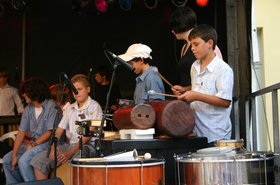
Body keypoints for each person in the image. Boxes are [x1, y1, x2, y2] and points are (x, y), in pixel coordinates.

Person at [30, 74, 103, 180]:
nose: (76, 93)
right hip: (71, 145)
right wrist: (52, 148)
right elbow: (59, 130)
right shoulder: (70, 108)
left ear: (88, 89)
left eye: (79, 89)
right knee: (38, 162)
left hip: (89, 146)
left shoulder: (95, 106)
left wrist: (69, 152)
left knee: (77, 160)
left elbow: (89, 134)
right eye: (74, 90)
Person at [176, 24, 233, 145]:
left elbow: (225, 102)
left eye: (196, 44)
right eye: (191, 45)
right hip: (196, 133)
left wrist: (196, 96)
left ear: (210, 43)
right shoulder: (194, 66)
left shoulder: (223, 69)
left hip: (215, 136)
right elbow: (200, 87)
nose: (192, 48)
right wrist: (185, 90)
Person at [3, 77, 58, 184]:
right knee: (7, 160)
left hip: (47, 144)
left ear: (35, 92)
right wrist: (14, 155)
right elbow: (21, 133)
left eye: (25, 92)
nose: (23, 95)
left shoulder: (51, 106)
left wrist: (33, 144)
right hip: (32, 143)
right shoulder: (28, 109)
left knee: (24, 160)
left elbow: (50, 132)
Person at [170, 7, 223, 93]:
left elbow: (216, 77)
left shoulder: (209, 46)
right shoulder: (184, 48)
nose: (172, 31)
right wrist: (183, 89)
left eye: (173, 27)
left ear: (181, 25)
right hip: (188, 99)